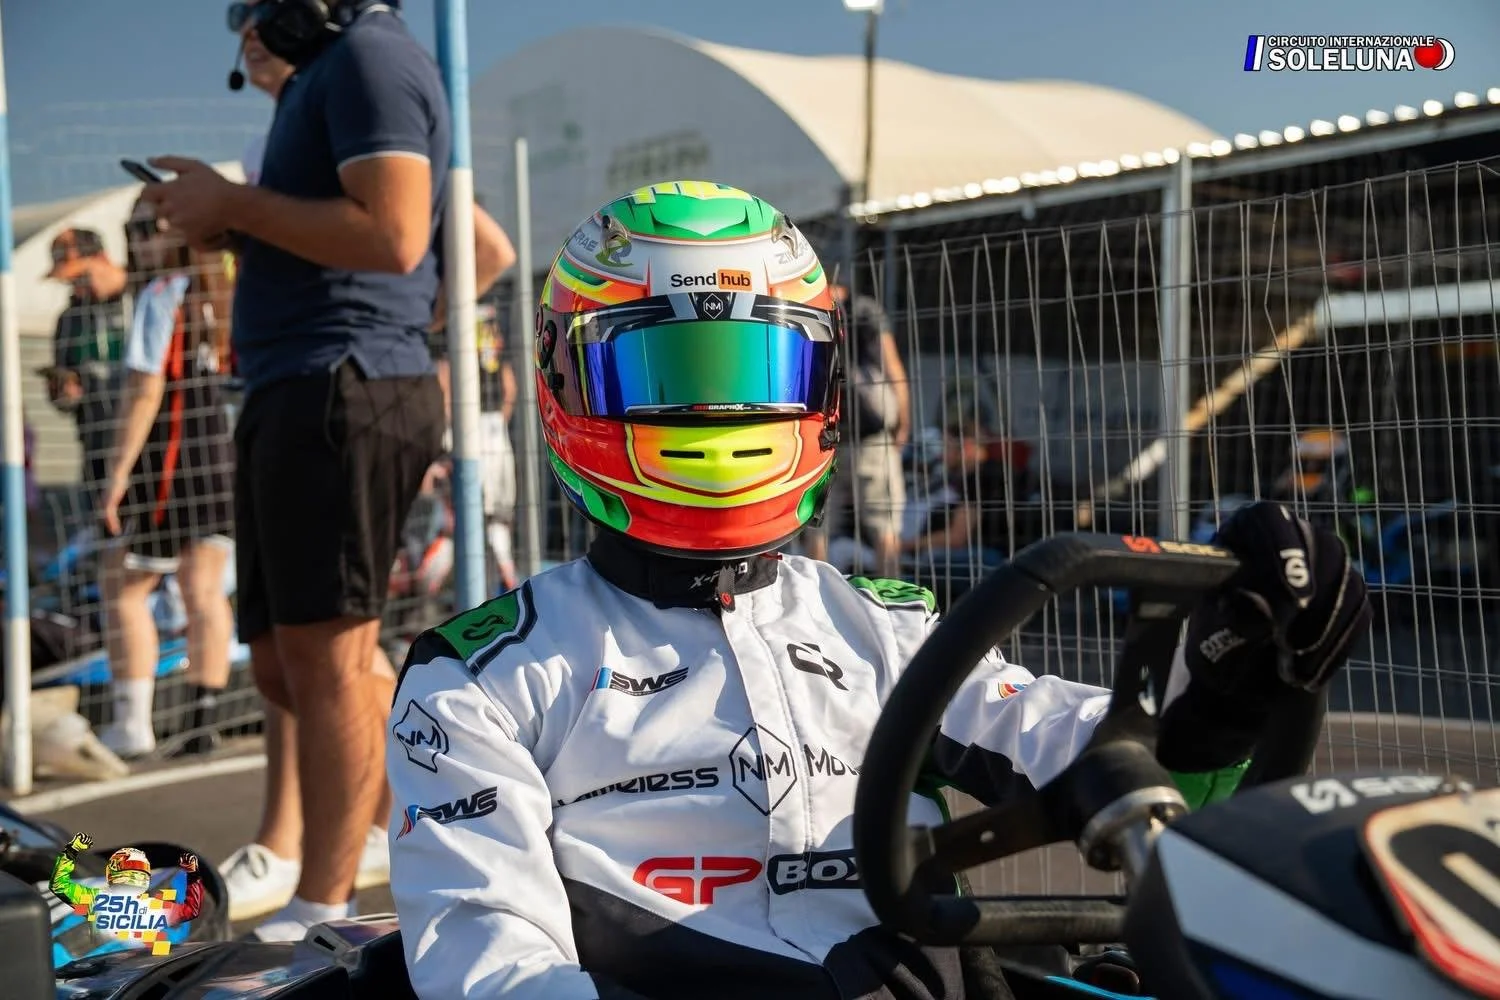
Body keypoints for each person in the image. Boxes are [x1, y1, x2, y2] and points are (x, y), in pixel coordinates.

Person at [385, 183, 1374, 1000]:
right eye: (669, 366)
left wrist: (1239, 675)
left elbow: (1108, 759)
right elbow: (495, 969)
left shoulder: (880, 626)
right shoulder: (477, 680)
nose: (724, 409)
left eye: (760, 366)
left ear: (818, 383)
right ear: (573, 382)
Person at [143, 0, 511, 940]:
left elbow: (394, 239)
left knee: (331, 660)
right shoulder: (345, 71)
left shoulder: (369, 61)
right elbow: (478, 249)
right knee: (288, 663)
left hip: (341, 388)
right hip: (309, 384)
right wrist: (242, 228)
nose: (250, 23)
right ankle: (439, 806)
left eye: (258, 10)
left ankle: (328, 904)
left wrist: (235, 209)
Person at [94, 198, 238, 759]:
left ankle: (132, 722)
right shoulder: (221, 295)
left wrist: (116, 473)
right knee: (203, 590)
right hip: (219, 458)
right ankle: (202, 720)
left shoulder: (162, 295)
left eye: (142, 229)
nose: (136, 241)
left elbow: (145, 389)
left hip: (170, 459)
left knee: (122, 585)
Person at [802, 285, 910, 577]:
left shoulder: (806, 306)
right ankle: (891, 599)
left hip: (824, 435)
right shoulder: (864, 309)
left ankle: (817, 597)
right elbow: (894, 370)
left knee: (819, 525)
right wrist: (903, 424)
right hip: (871, 437)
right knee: (885, 524)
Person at [42, 227, 129, 501]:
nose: (78, 288)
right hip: (96, 449)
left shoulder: (140, 303)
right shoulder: (68, 321)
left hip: (146, 447)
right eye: (72, 282)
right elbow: (61, 390)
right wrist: (64, 393)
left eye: (83, 276)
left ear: (102, 260)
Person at [50, 831, 204, 928]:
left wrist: (71, 850)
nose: (133, 878)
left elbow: (58, 884)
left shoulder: (93, 900)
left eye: (137, 873)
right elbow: (191, 910)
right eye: (130, 872)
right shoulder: (93, 900)